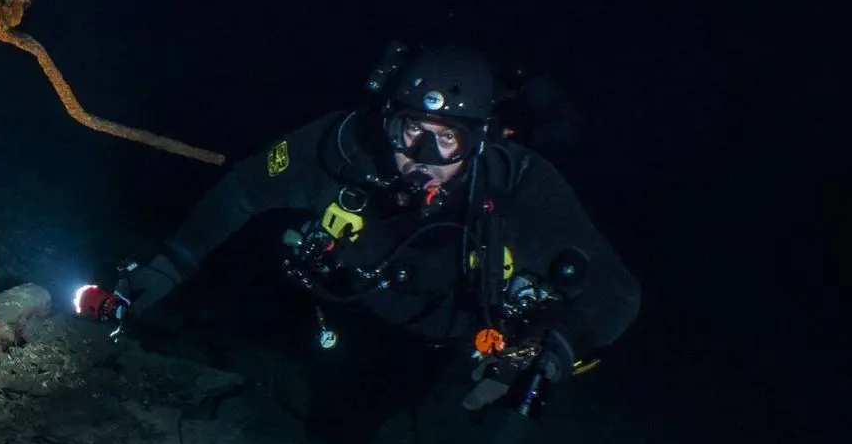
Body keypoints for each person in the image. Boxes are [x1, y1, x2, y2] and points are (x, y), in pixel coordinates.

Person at [121, 42, 639, 415]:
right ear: (388, 120)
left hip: (444, 343)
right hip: (340, 312)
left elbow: (615, 292)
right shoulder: (342, 146)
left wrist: (548, 353)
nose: (422, 157)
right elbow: (243, 190)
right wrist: (172, 263)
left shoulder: (518, 184)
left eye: (447, 140)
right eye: (411, 130)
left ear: (479, 141)